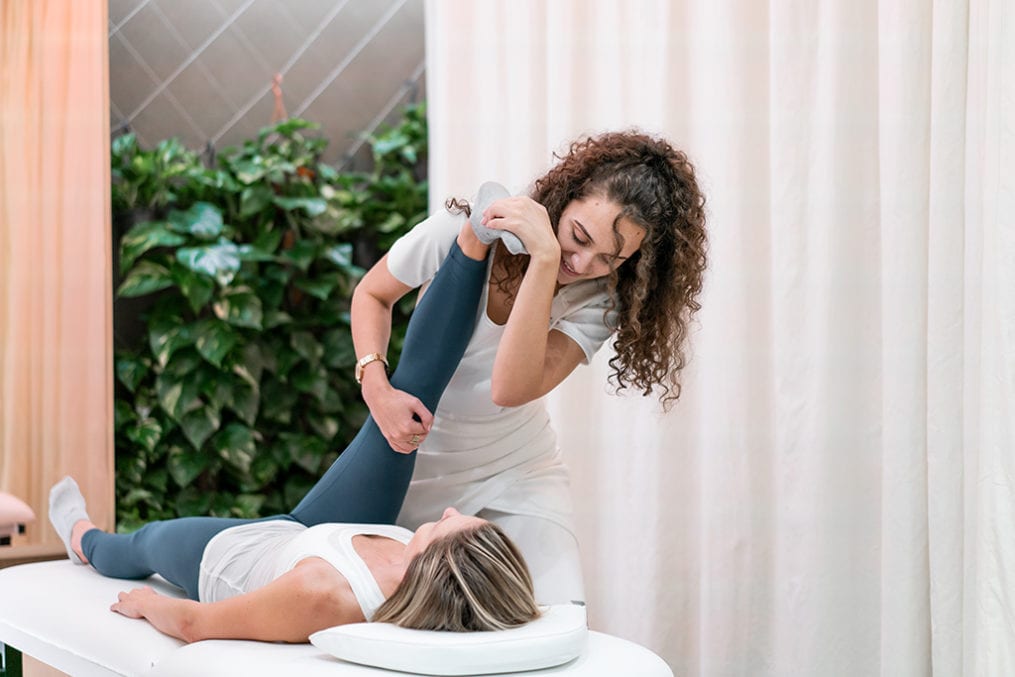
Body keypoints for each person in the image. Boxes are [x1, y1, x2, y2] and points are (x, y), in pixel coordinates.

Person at [47, 224, 541, 644]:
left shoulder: (322, 594)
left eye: (444, 526)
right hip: (325, 532)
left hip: (244, 553)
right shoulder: (432, 579)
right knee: (407, 412)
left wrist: (148, 604)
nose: (451, 511)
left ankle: (81, 538)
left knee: (143, 543)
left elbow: (195, 624)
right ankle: (475, 233)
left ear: (435, 567)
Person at [351, 131, 708, 604]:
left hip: (516, 473)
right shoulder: (464, 230)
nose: (583, 263)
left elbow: (510, 387)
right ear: (564, 196)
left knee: (558, 616)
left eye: (610, 258)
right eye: (579, 237)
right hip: (415, 468)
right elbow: (373, 295)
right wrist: (376, 387)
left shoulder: (600, 301)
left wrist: (546, 258)